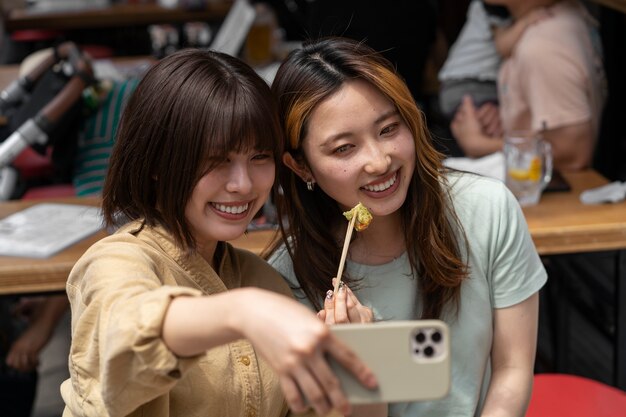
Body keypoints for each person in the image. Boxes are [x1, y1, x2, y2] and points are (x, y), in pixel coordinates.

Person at [60, 48, 381, 417]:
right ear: (157, 164)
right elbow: (126, 336)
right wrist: (241, 312)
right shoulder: (117, 261)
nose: (243, 185)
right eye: (217, 160)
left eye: (259, 157)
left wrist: (358, 363)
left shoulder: (262, 280)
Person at [268, 37, 547, 416]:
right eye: (344, 148)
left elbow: (512, 370)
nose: (380, 161)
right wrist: (361, 366)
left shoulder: (487, 210)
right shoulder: (285, 282)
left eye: (387, 129)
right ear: (300, 166)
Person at [451, 0, 606, 171]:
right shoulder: (557, 17)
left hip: (551, 192)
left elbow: (573, 154)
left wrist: (480, 145)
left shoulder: (542, 47)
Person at [438, 0, 548, 140]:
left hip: (461, 84)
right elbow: (502, 46)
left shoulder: (487, 9)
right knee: (497, 125)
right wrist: (526, 22)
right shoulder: (492, 11)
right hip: (467, 84)